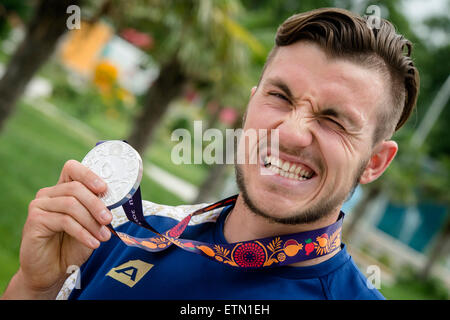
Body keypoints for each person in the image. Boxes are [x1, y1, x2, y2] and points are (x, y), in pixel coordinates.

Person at [1, 7, 419, 300]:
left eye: (334, 120)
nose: (292, 134)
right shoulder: (121, 236)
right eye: (279, 97)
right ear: (252, 104)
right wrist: (36, 286)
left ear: (376, 162)